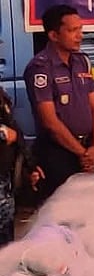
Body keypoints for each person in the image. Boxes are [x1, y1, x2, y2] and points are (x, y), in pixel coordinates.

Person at [22, 5, 94, 200]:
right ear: (53, 35)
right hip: (58, 154)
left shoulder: (82, 61)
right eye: (72, 30)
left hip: (87, 150)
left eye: (80, 29)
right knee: (62, 212)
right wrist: (82, 154)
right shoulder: (40, 67)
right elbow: (50, 122)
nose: (80, 36)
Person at [0, 87, 41, 246]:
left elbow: (16, 133)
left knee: (5, 239)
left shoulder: (2, 97)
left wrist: (30, 166)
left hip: (5, 179)